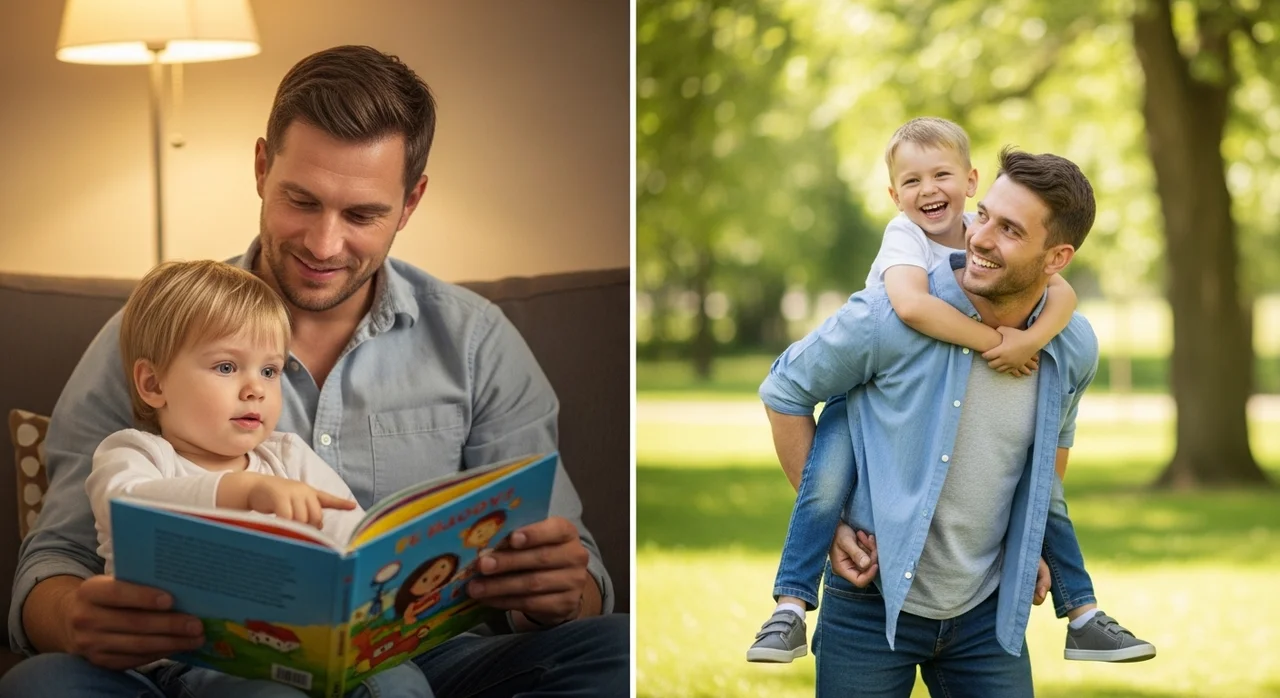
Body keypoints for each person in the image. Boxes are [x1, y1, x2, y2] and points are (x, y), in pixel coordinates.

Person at [1, 45, 627, 698]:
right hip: (188, 667)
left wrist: (555, 592)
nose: (323, 245)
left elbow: (574, 576)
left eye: (361, 215)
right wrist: (77, 620)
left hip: (419, 662)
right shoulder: (155, 332)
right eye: (301, 201)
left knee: (615, 649)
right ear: (262, 168)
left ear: (410, 202)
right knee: (45, 685)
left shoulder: (475, 342)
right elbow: (56, 561)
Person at [753, 147, 1152, 695]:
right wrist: (833, 527)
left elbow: (1053, 446)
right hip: (869, 601)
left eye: (1009, 229)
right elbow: (783, 391)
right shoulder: (886, 317)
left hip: (987, 616)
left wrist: (1029, 540)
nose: (980, 237)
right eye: (984, 214)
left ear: (1056, 258)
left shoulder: (1070, 345)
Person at [87, 259, 431, 696]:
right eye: (227, 367)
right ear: (154, 383)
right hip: (191, 662)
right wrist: (240, 490)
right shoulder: (136, 453)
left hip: (306, 650)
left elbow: (356, 537)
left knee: (400, 678)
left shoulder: (287, 457)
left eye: (269, 370)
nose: (256, 389)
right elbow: (126, 509)